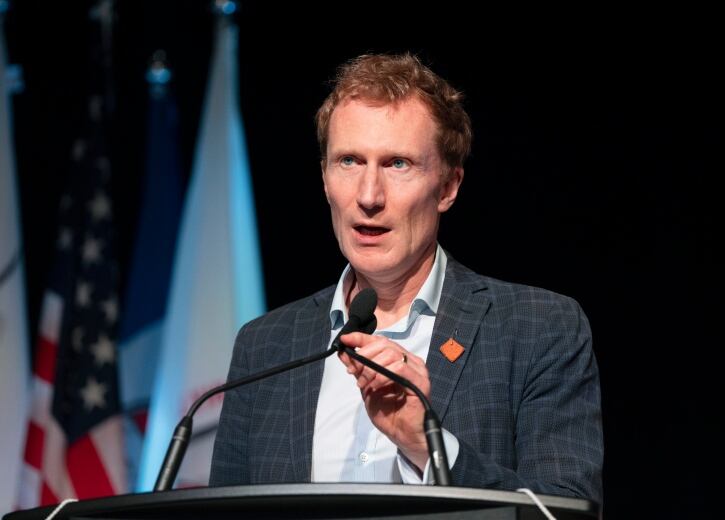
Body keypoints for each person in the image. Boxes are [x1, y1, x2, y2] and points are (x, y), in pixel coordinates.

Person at [210, 53, 603, 504]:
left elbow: (563, 512)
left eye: (398, 164)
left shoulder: (538, 328)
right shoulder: (265, 346)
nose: (369, 196)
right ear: (324, 178)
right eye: (350, 161)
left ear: (448, 187)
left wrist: (426, 442)